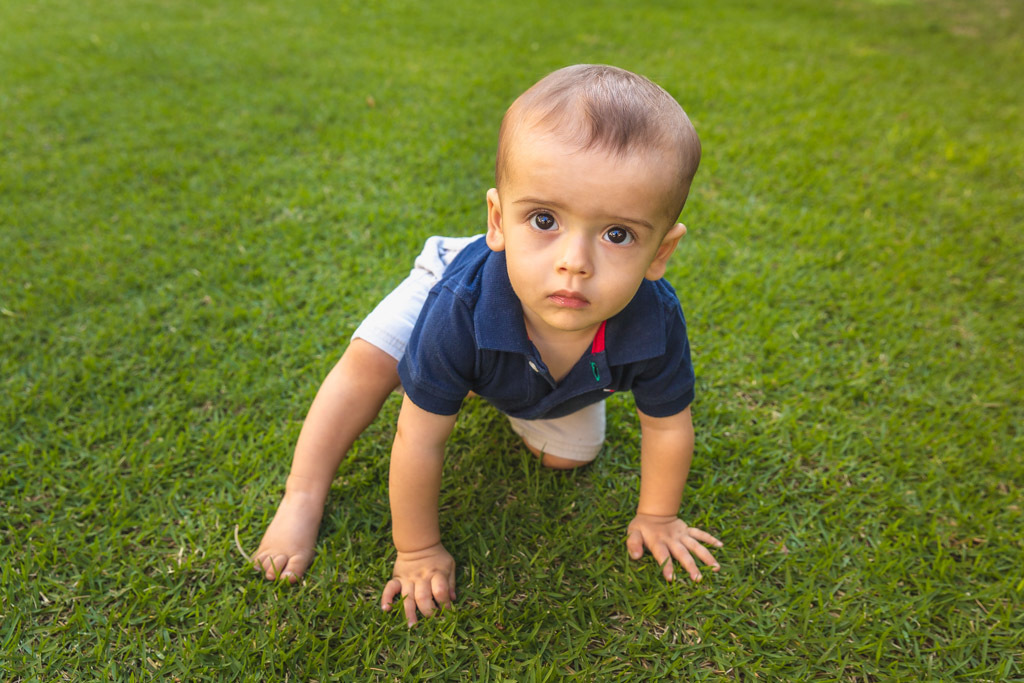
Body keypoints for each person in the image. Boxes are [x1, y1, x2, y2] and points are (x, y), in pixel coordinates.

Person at [253, 64, 723, 625]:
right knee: (372, 363)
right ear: (498, 219)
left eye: (616, 234)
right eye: (544, 219)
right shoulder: (456, 307)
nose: (575, 261)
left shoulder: (655, 319)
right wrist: (418, 550)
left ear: (661, 253)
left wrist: (658, 515)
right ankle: (303, 491)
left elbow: (668, 423)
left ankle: (488, 378)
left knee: (566, 455)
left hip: (537, 340)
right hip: (458, 280)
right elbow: (418, 440)